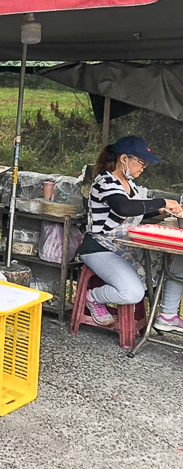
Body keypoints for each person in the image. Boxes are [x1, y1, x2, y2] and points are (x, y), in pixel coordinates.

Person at [79, 137, 183, 331]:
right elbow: (124, 207)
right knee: (132, 293)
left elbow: (136, 212)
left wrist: (158, 213)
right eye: (141, 162)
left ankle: (168, 315)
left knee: (175, 262)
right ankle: (93, 297)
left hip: (123, 246)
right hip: (99, 249)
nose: (143, 168)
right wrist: (162, 202)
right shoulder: (105, 182)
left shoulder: (131, 186)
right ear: (124, 159)